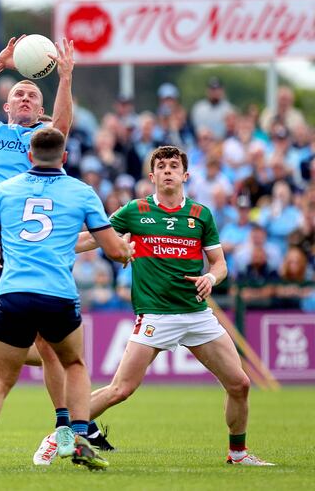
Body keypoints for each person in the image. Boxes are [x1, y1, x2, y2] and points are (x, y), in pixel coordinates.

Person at [73, 145, 274, 466]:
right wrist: (58, 244)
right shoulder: (134, 210)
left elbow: (220, 264)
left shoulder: (200, 215)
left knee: (240, 384)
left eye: (174, 166)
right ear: (152, 176)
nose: (168, 170)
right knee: (120, 390)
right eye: (162, 166)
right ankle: (61, 432)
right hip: (156, 315)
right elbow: (95, 238)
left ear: (185, 175)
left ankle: (238, 454)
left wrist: (212, 277)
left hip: (196, 315)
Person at [0, 34, 96, 457]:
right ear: (7, 107)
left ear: (41, 108)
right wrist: (1, 62)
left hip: (32, 246)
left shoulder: (45, 142)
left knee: (50, 347)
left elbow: (63, 127)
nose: (26, 96)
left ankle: (64, 426)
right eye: (19, 94)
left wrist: (65, 77)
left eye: (33, 93)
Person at [0, 128, 133, 473]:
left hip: (12, 294)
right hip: (58, 295)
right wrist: (125, 251)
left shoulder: (5, 190)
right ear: (65, 158)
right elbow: (113, 250)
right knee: (74, 365)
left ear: (28, 157)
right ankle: (80, 439)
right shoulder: (81, 192)